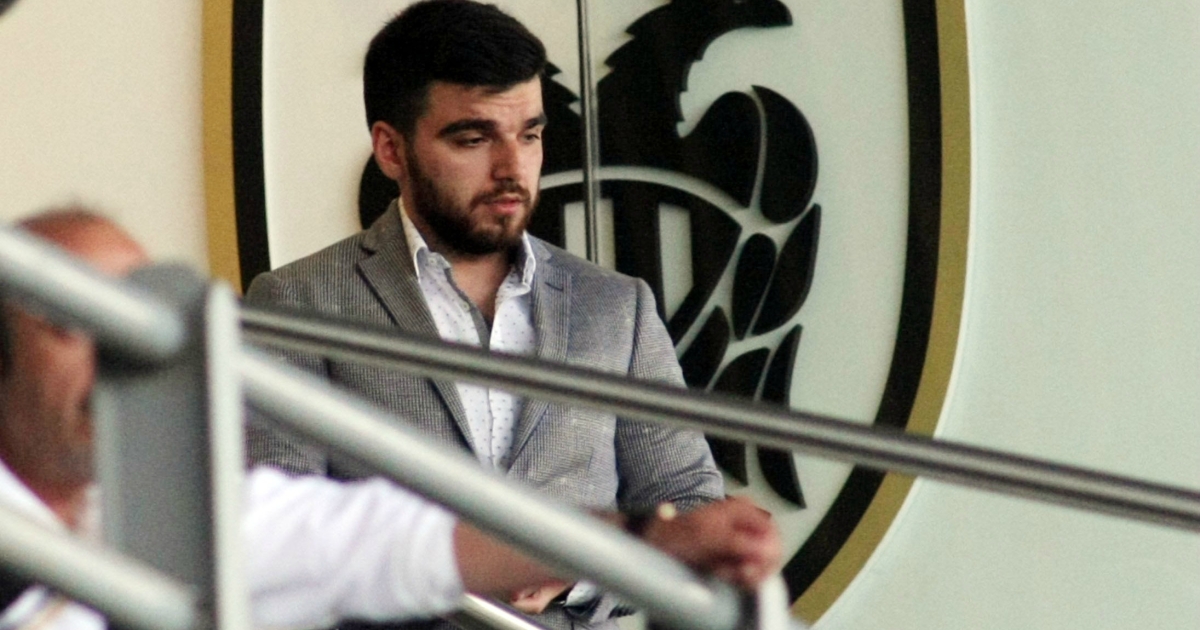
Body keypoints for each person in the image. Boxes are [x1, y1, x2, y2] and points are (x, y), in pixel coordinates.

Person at [0, 209, 781, 630]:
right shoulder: (303, 297)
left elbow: (396, 537)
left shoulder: (175, 515)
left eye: (143, 320)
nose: (126, 357)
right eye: (72, 320)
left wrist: (651, 538)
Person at [243, 1, 728, 625]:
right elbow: (275, 545)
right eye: (473, 139)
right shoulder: (298, 304)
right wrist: (470, 565)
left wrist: (576, 571)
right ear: (390, 150)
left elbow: (689, 511)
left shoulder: (616, 308)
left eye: (529, 135)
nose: (511, 169)